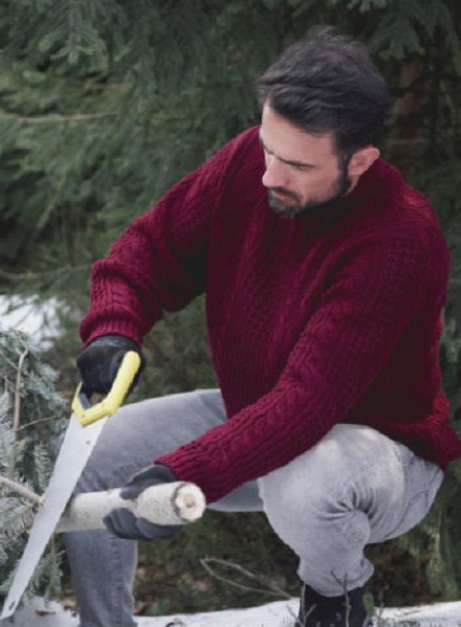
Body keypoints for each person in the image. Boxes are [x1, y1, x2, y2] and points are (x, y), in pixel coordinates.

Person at [67, 28, 461, 627]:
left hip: (378, 457)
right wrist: (114, 329)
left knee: (306, 482)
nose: (268, 176)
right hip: (256, 418)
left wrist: (185, 473)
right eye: (268, 148)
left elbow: (308, 402)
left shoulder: (398, 238)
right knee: (95, 455)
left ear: (359, 162)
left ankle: (339, 599)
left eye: (297, 164)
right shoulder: (250, 163)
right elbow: (148, 251)